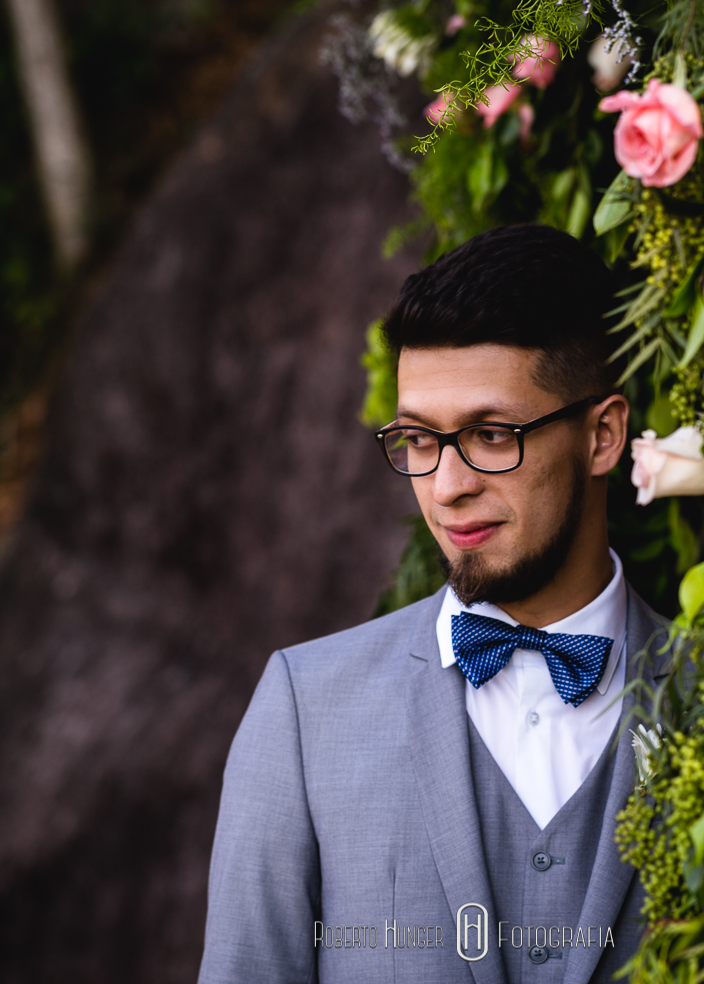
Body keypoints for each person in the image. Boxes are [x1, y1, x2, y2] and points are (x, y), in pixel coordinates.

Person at [197, 224, 670, 984]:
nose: (446, 486)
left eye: (490, 435)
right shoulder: (305, 710)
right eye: (418, 440)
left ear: (603, 436)